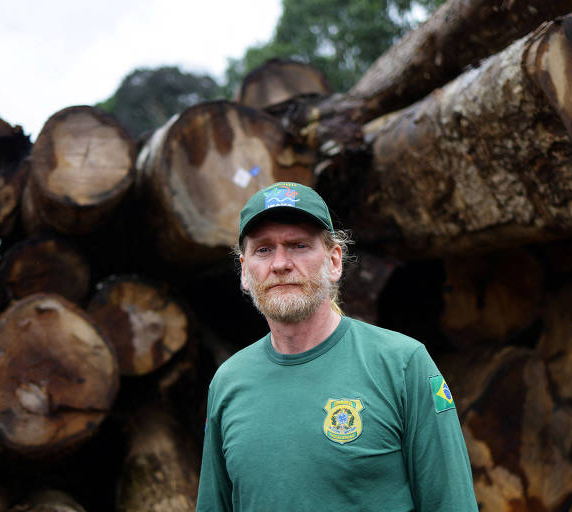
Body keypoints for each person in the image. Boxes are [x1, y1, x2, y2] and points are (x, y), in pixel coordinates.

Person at [196, 182, 479, 512]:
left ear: (334, 261)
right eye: (263, 249)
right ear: (244, 271)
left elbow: (451, 503)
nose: (281, 263)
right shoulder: (228, 381)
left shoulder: (402, 364)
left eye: (299, 245)